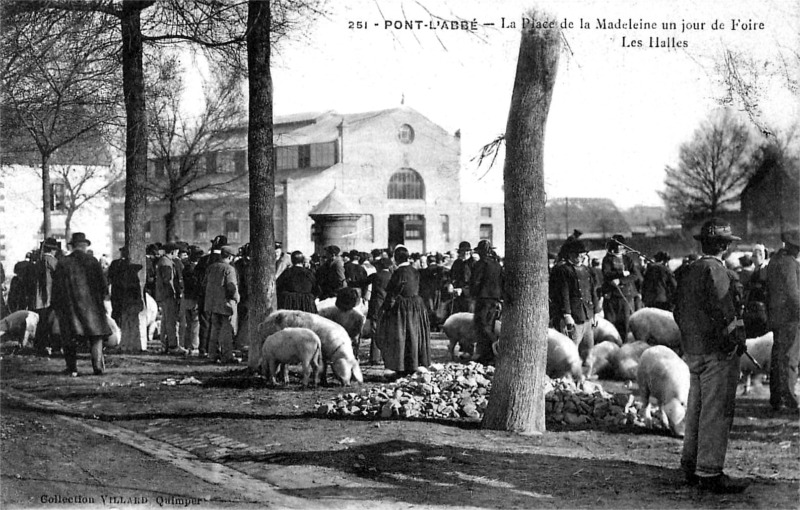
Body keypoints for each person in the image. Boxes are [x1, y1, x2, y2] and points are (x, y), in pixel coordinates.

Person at [674, 218, 749, 494]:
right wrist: (736, 341)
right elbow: (727, 313)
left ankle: (690, 464)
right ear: (725, 246)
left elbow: (677, 313)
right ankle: (709, 471)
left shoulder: (688, 270)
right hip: (717, 352)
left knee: (695, 408)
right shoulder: (717, 272)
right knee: (716, 411)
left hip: (693, 350)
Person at [51, 233, 112, 377]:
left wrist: (56, 306)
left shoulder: (63, 262)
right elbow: (103, 286)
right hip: (92, 307)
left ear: (72, 246)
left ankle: (72, 368)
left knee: (69, 336)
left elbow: (57, 288)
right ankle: (97, 367)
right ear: (85, 246)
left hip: (70, 307)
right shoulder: (93, 261)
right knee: (96, 336)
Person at [376, 245, 430, 378]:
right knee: (414, 335)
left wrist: (385, 308)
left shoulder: (399, 272)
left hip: (402, 307)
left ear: (396, 258)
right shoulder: (414, 270)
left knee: (401, 336)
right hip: (417, 305)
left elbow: (393, 292)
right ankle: (414, 364)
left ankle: (401, 366)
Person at [549, 237, 599, 375]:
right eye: (575, 254)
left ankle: (586, 375)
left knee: (588, 348)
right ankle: (570, 376)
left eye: (581, 254)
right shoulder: (563, 270)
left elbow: (591, 291)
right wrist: (567, 315)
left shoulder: (587, 270)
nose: (578, 257)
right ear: (569, 254)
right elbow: (563, 294)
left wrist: (595, 313)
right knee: (572, 348)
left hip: (587, 314)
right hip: (573, 316)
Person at [765, 231, 800, 415]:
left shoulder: (774, 261)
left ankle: (776, 399)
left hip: (777, 317)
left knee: (778, 356)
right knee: (790, 358)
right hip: (791, 318)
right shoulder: (790, 264)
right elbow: (793, 294)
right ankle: (790, 399)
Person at [204, 245, 240, 364]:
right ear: (230, 257)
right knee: (226, 331)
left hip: (212, 303)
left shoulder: (211, 267)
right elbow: (231, 287)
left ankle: (212, 354)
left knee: (214, 330)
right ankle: (227, 355)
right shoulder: (229, 269)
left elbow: (204, 283)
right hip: (225, 304)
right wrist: (237, 298)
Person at [469, 240, 504, 364]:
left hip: (483, 299)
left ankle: (490, 352)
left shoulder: (479, 265)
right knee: (490, 325)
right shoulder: (497, 265)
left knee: (482, 326)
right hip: (495, 299)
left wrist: (473, 294)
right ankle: (489, 354)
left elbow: (475, 281)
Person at [601, 234, 642, 340]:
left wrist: (621, 280)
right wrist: (621, 273)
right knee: (611, 323)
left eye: (621, 245)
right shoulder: (607, 259)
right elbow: (606, 273)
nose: (620, 247)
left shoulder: (627, 259)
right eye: (617, 245)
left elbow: (635, 275)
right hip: (611, 296)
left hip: (626, 295)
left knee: (625, 323)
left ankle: (624, 343)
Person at [30, 238, 61, 355]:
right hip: (49, 297)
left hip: (37, 298)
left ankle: (39, 346)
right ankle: (51, 346)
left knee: (40, 323)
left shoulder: (38, 261)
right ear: (53, 250)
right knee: (51, 322)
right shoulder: (53, 261)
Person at [155, 242, 185, 354]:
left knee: (165, 321)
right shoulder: (167, 263)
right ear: (172, 252)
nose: (177, 254)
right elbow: (168, 281)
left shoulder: (163, 261)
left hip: (164, 295)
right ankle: (173, 346)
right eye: (177, 252)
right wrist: (175, 294)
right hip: (168, 296)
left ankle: (165, 345)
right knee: (171, 321)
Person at [366, 257, 392, 365]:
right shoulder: (392, 276)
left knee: (375, 331)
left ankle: (374, 357)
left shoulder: (375, 276)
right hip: (389, 306)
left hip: (376, 306)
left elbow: (361, 282)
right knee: (388, 331)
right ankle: (387, 357)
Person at [742, 243, 769, 338]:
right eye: (752, 256)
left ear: (762, 256)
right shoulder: (755, 270)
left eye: (755, 256)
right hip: (753, 306)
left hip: (760, 307)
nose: (752, 258)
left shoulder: (764, 269)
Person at [181, 247, 203, 356]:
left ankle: (187, 345)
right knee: (195, 323)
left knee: (188, 323)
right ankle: (194, 346)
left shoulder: (186, 268)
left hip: (186, 297)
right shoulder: (196, 270)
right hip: (194, 298)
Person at [419, 253, 451, 331]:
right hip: (440, 293)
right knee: (439, 311)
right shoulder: (444, 270)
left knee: (430, 310)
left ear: (427, 262)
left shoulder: (422, 272)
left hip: (428, 294)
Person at [450, 241, 475, 314]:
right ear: (459, 252)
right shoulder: (456, 263)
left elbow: (475, 282)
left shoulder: (474, 263)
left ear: (470, 252)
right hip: (457, 296)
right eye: (463, 251)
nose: (465, 253)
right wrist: (451, 284)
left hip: (470, 297)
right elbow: (451, 276)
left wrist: (463, 290)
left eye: (467, 250)